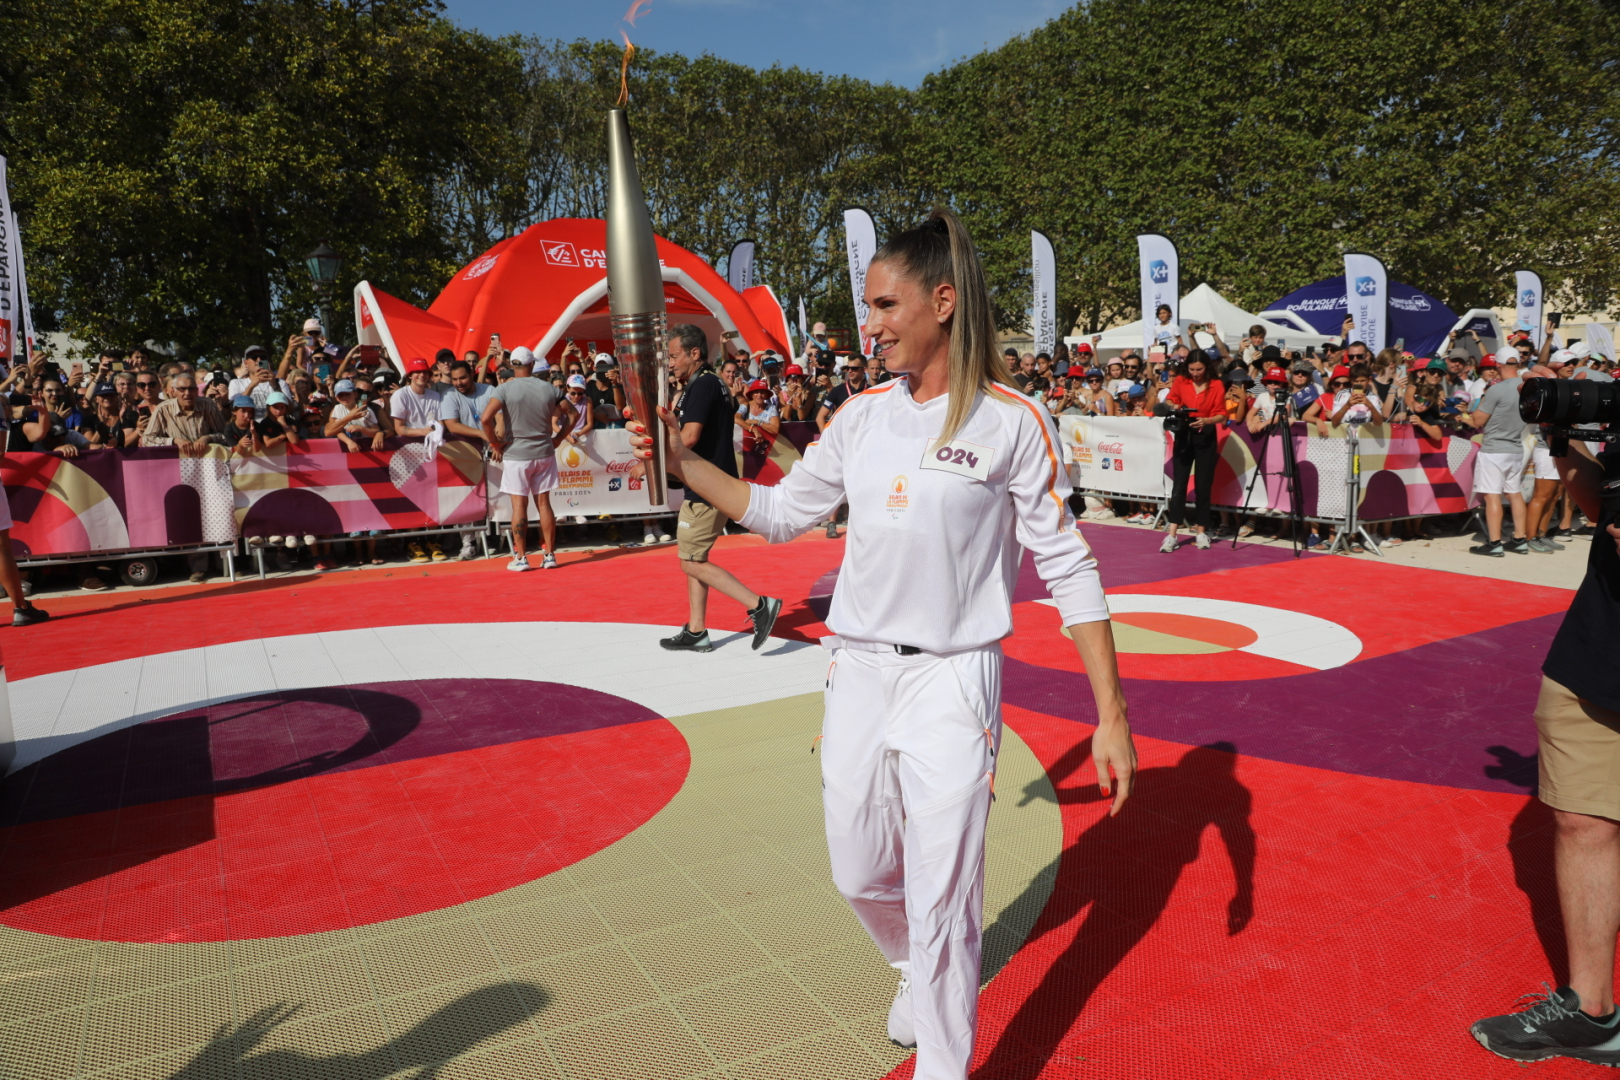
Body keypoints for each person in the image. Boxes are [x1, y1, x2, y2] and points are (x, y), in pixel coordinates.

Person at [630, 209, 1134, 1080]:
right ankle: (911, 968)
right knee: (859, 870)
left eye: (884, 305)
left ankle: (944, 1058)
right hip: (857, 671)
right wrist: (681, 466)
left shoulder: (1012, 422)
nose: (870, 326)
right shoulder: (861, 416)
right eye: (868, 308)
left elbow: (1069, 567)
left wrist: (1111, 715)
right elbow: (783, 513)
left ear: (943, 302)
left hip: (953, 681)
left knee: (945, 897)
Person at [1469, 438, 1620, 1067]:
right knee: (1582, 821)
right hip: (1598, 652)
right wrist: (1565, 438)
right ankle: (1592, 1014)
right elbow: (1594, 501)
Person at [655, 323, 782, 654]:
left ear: (695, 354)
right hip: (712, 482)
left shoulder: (703, 386)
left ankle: (759, 605)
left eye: (674, 355)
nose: (670, 362)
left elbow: (690, 437)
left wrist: (655, 460)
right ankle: (697, 630)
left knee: (690, 561)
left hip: (706, 485)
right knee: (695, 556)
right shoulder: (712, 384)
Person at [480, 346, 572, 571]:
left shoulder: (504, 389)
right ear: (532, 365)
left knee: (519, 505)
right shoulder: (549, 388)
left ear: (513, 365)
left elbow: (485, 419)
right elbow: (573, 414)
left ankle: (521, 558)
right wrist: (559, 438)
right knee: (544, 504)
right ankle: (549, 555)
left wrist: (494, 443)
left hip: (516, 454)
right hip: (543, 452)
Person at [1160, 353, 1227, 552]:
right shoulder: (1181, 380)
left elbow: (1222, 414)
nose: (1196, 374)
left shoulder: (1216, 384)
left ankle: (1201, 532)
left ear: (1206, 367)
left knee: (1203, 485)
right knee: (1179, 484)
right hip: (1184, 432)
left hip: (1205, 433)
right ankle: (1172, 534)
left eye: (1199, 370)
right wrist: (1174, 406)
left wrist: (1207, 420)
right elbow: (1171, 399)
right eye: (1192, 370)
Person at [1469, 348, 1530, 557]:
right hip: (1514, 447)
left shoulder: (1497, 390)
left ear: (1498, 365)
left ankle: (1495, 543)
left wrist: (1466, 414)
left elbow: (1478, 421)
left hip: (1495, 448)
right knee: (1514, 493)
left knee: (1492, 495)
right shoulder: (1527, 387)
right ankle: (1520, 539)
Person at [816, 361, 870, 431]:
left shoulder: (871, 390)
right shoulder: (838, 390)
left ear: (864, 370)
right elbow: (820, 417)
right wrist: (825, 438)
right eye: (848, 368)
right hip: (843, 436)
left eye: (854, 368)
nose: (850, 371)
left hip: (864, 436)